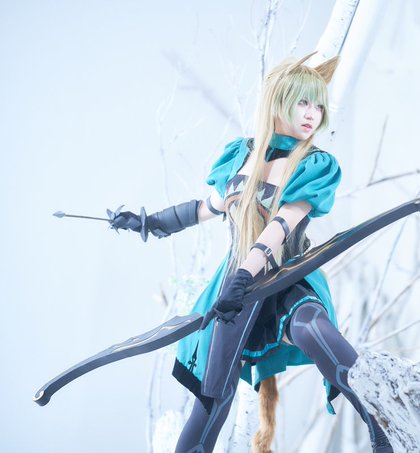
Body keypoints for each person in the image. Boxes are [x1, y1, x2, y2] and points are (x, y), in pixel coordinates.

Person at [109, 52, 393, 453]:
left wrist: (246, 273)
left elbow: (282, 225)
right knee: (213, 395)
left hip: (287, 276)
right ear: (278, 101)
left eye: (318, 105)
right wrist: (147, 222)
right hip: (234, 290)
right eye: (303, 102)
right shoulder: (239, 156)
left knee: (313, 329)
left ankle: (383, 426)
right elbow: (206, 207)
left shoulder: (313, 164)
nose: (312, 114)